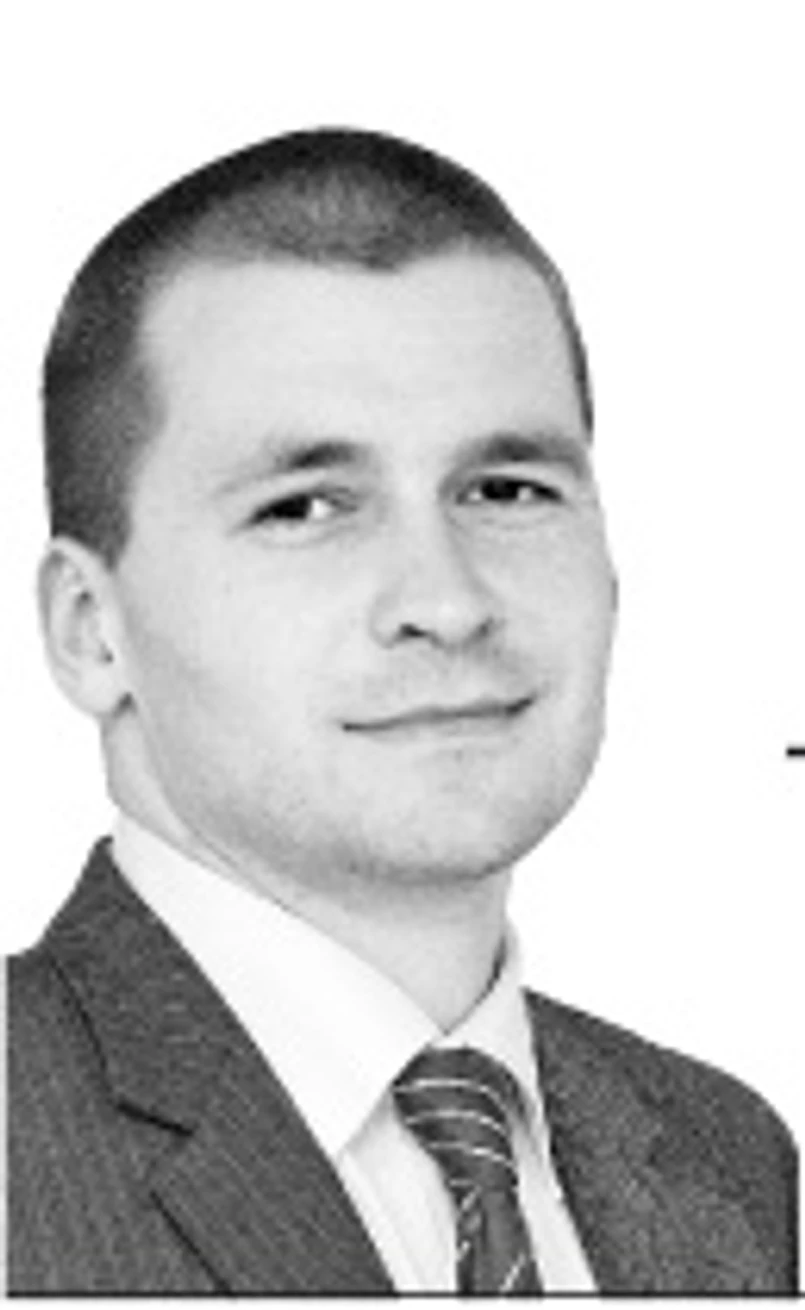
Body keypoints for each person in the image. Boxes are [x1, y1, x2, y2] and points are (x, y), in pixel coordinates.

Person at [5, 127, 797, 1295]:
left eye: (506, 488)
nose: (446, 600)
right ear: (90, 628)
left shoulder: (732, 1159)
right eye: (304, 507)